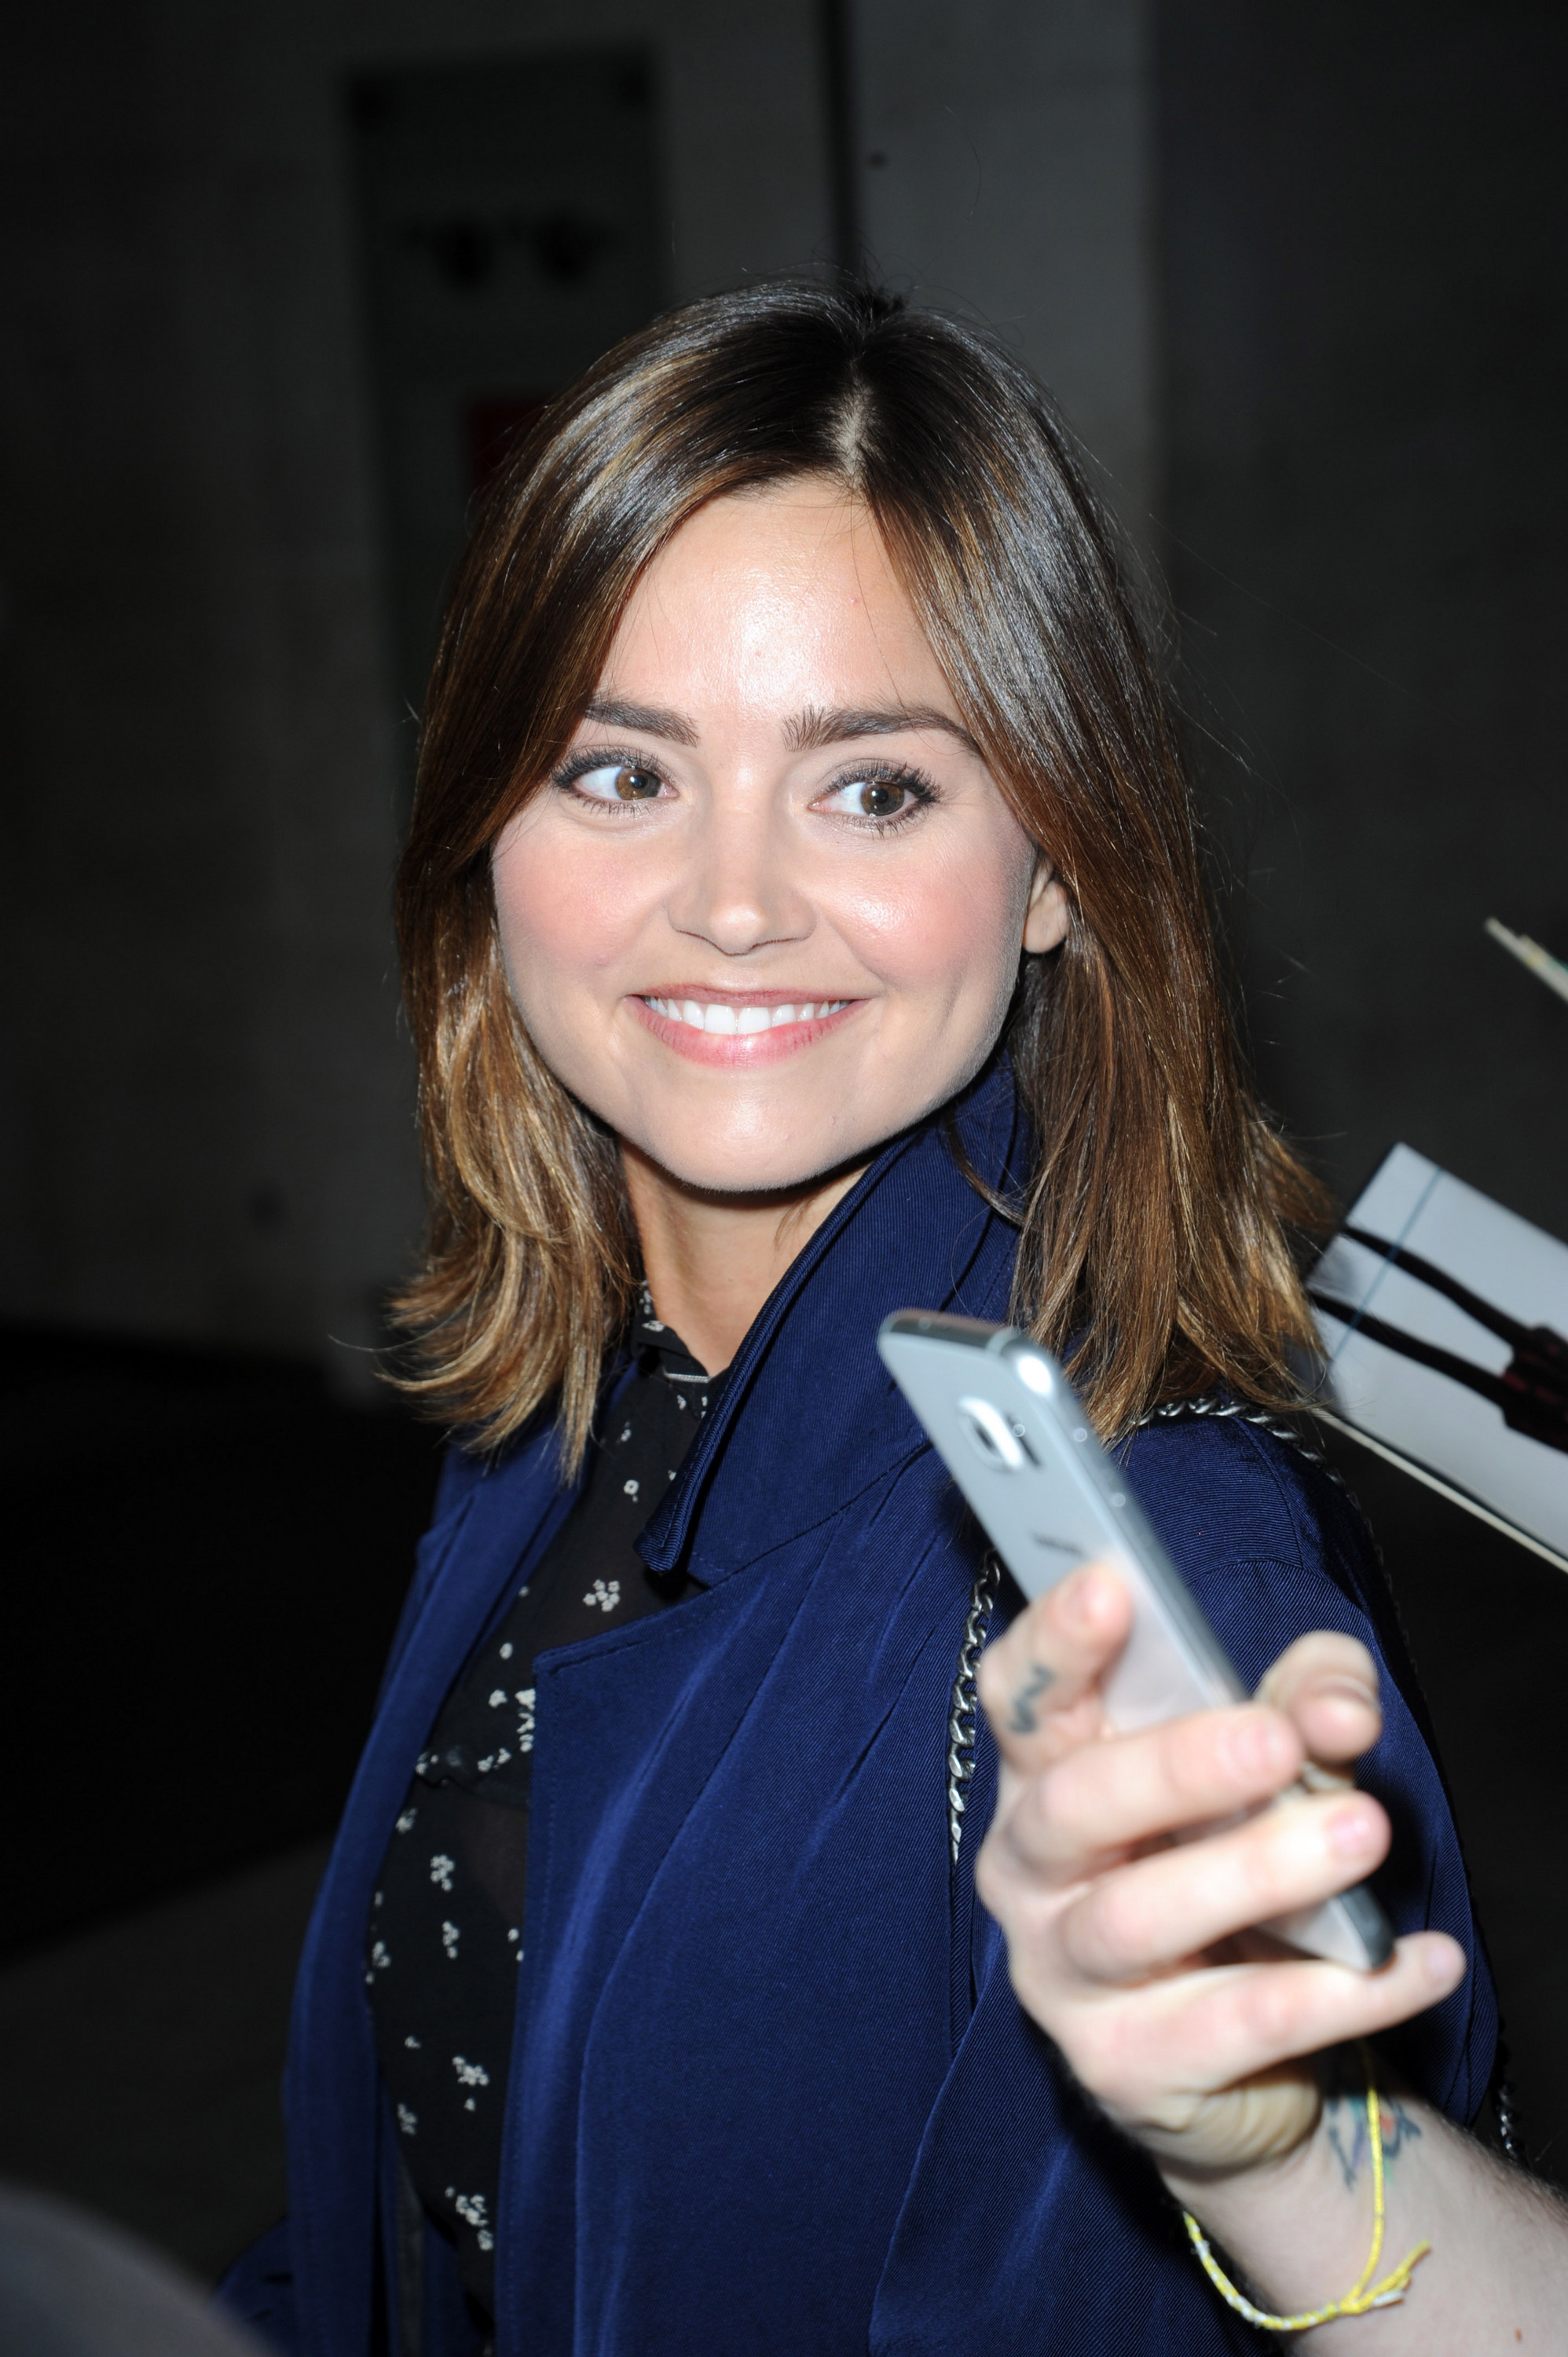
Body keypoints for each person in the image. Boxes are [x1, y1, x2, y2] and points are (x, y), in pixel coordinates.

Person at [216, 279, 1560, 2355]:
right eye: (618, 771)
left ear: (1055, 863)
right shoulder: (559, 1412)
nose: (733, 899)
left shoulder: (1159, 1577)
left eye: (873, 790)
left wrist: (1293, 2157)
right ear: (487, 831)